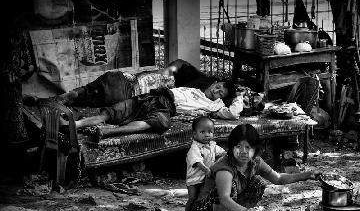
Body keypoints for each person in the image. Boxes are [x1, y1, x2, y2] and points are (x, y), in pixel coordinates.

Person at [29, 59, 244, 140]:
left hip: (166, 105)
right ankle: (70, 119)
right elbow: (178, 64)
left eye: (222, 93)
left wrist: (239, 97)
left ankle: (105, 130)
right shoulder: (196, 83)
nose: (218, 91)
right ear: (216, 81)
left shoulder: (214, 105)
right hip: (150, 94)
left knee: (160, 122)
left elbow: (233, 112)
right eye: (219, 86)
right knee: (108, 109)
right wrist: (164, 72)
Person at [190, 123, 321, 211]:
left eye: (248, 147)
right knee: (231, 188)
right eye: (238, 146)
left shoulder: (255, 162)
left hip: (227, 208)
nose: (243, 152)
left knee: (259, 182)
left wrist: (306, 175)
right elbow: (224, 198)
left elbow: (278, 178)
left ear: (255, 148)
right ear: (232, 147)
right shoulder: (225, 167)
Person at [182, 116, 226, 211]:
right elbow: (197, 162)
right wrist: (206, 169)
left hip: (205, 178)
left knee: (202, 197)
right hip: (194, 180)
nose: (207, 135)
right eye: (202, 132)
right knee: (192, 198)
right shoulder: (195, 148)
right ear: (194, 134)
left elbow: (223, 153)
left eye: (210, 132)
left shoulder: (212, 145)